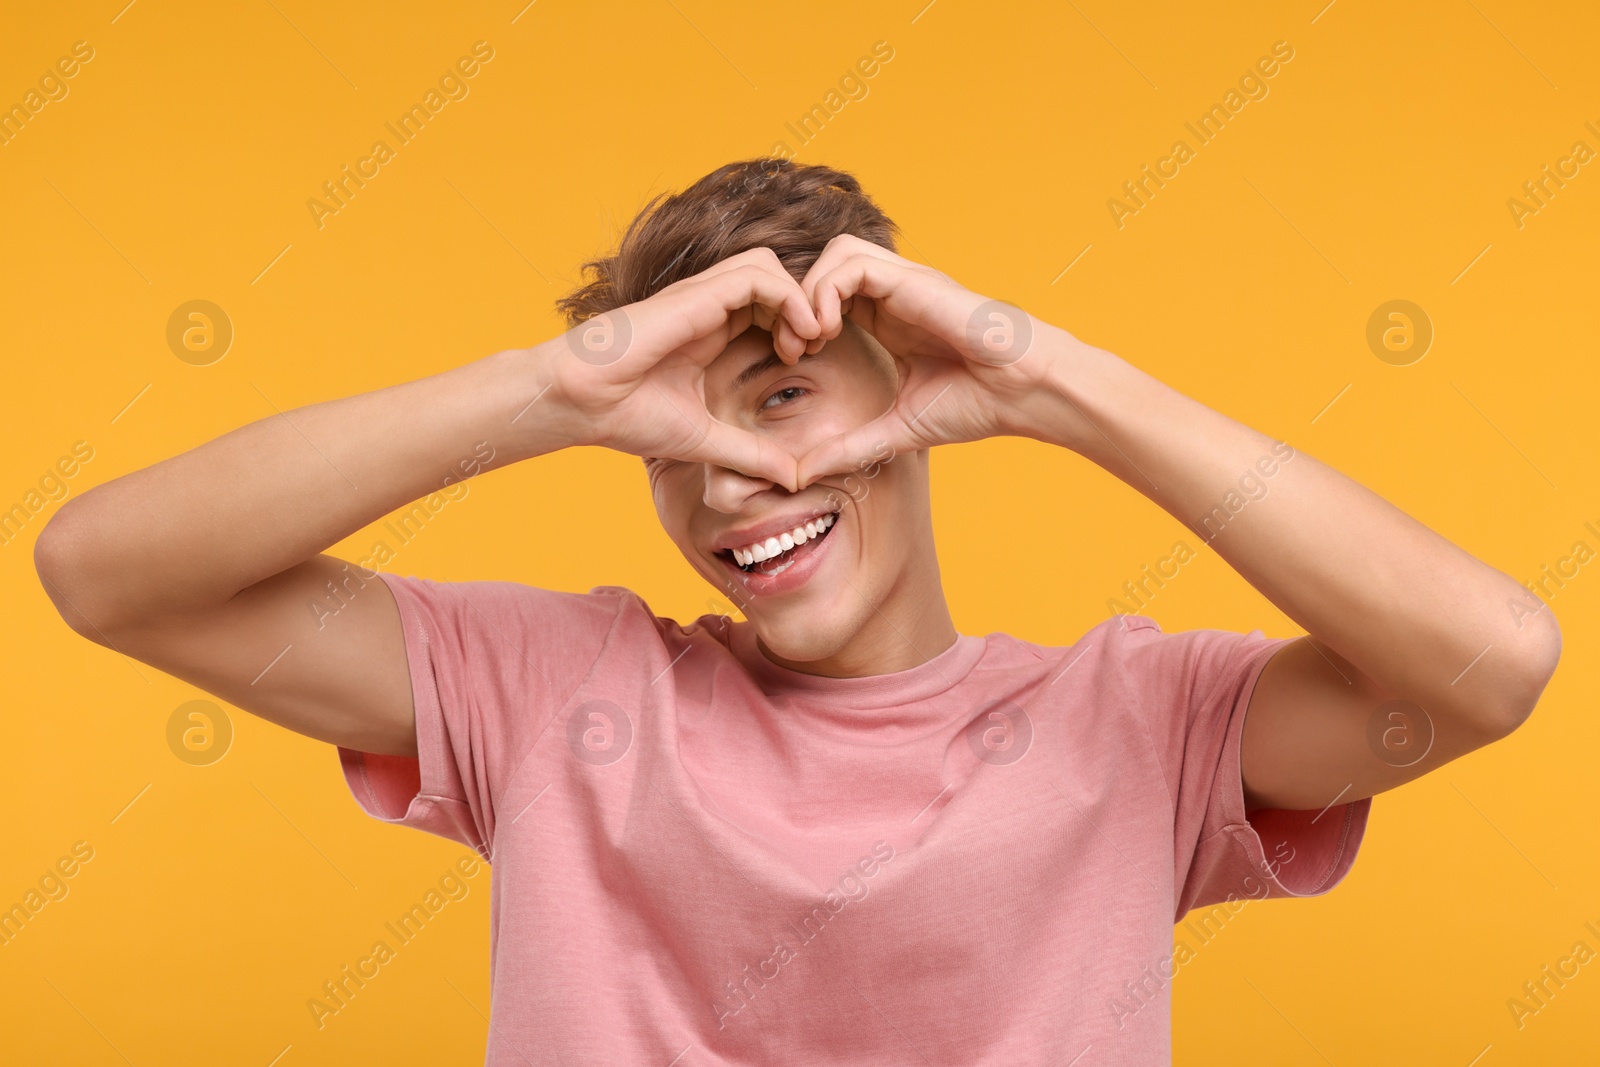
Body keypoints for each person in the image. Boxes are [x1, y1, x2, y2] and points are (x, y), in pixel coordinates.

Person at [35, 158, 1561, 1064]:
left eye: (779, 403)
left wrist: (1052, 383)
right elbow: (105, 571)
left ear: (919, 404)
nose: (730, 487)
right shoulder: (546, 688)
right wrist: (556, 387)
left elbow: (1494, 662)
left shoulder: (1137, 726)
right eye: (670, 445)